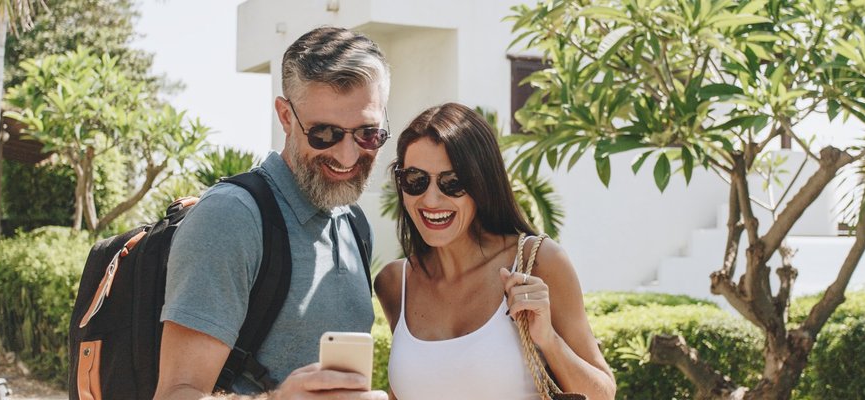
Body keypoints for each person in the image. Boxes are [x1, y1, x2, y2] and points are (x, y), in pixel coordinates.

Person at [154, 27, 390, 400]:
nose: (347, 156)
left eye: (367, 134)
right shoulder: (231, 218)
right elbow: (175, 393)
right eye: (324, 134)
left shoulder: (354, 224)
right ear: (285, 115)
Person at [374, 103, 617, 400]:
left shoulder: (538, 262)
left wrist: (548, 340)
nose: (432, 199)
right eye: (415, 180)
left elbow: (603, 394)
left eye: (453, 183)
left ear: (481, 183)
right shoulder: (394, 283)